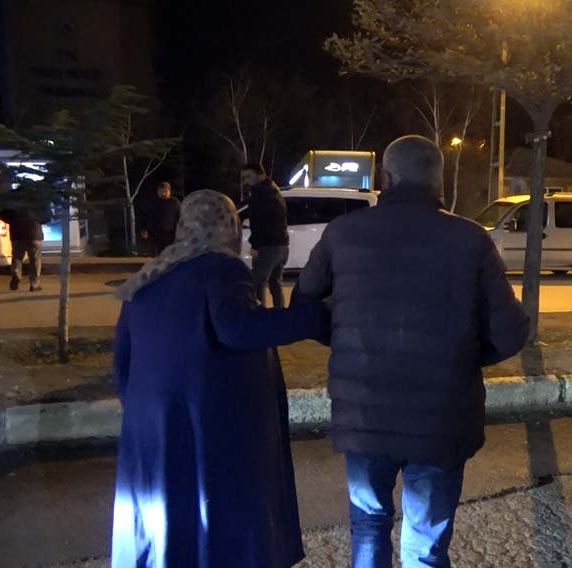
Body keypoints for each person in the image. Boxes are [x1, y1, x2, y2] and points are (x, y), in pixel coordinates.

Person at [297, 135, 530, 568]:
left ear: (386, 178)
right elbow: (512, 331)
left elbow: (304, 306)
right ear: (438, 182)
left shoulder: (344, 232)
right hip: (440, 416)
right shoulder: (470, 240)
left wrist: (349, 339)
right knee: (425, 545)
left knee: (369, 524)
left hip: (365, 414)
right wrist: (460, 355)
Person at [111, 190, 328, 568]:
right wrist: (314, 317)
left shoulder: (150, 275)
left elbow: (122, 365)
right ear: (228, 228)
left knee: (171, 519)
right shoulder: (222, 268)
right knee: (219, 522)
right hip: (210, 427)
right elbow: (237, 328)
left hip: (154, 428)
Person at [241, 163, 289, 307]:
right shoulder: (275, 190)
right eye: (243, 178)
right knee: (275, 284)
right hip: (282, 245)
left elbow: (258, 221)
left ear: (260, 175)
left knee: (257, 285)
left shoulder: (259, 193)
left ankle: (260, 315)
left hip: (267, 247)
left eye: (249, 176)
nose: (246, 181)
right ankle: (280, 314)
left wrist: (255, 245)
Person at [0, 199, 49, 292]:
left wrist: (13, 221)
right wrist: (37, 220)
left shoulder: (12, 196)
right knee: (35, 259)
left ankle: (16, 275)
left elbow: (2, 214)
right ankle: (34, 284)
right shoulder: (38, 197)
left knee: (17, 257)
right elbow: (47, 215)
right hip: (34, 232)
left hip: (17, 232)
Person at [139, 181, 182, 255]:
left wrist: (180, 230)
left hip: (171, 235)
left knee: (171, 254)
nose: (163, 193)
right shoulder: (153, 203)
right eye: (161, 191)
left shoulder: (175, 203)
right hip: (156, 234)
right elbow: (145, 216)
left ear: (169, 191)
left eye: (165, 191)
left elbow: (180, 217)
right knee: (158, 255)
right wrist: (143, 228)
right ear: (158, 192)